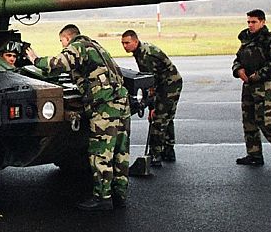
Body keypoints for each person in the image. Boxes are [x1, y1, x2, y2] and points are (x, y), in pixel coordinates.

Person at [27, 24, 130, 211]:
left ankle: (102, 198)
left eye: (62, 41)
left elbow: (58, 63)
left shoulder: (78, 46)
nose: (62, 45)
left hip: (105, 105)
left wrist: (35, 60)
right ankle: (119, 194)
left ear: (67, 38)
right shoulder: (95, 46)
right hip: (121, 101)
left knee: (100, 151)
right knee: (120, 150)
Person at [232, 9, 271, 166]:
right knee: (249, 121)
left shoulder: (270, 42)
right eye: (248, 22)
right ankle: (254, 154)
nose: (250, 25)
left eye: (254, 22)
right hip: (248, 85)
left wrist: (259, 75)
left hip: (264, 86)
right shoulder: (246, 40)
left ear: (263, 22)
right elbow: (238, 59)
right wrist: (238, 70)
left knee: (264, 119)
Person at [121, 29, 182, 165]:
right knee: (167, 118)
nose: (125, 46)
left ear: (135, 41)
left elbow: (150, 83)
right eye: (123, 43)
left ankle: (155, 155)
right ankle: (168, 151)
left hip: (169, 85)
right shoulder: (140, 51)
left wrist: (152, 107)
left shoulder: (146, 55)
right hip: (168, 83)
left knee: (159, 119)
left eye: (127, 43)